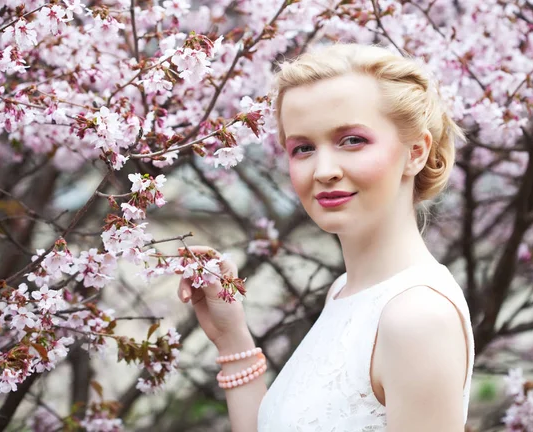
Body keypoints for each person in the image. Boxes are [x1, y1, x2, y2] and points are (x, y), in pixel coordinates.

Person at [177, 43, 475, 432]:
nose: (324, 170)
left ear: (416, 152)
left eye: (352, 140)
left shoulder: (417, 318)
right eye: (303, 148)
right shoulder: (345, 292)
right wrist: (231, 338)